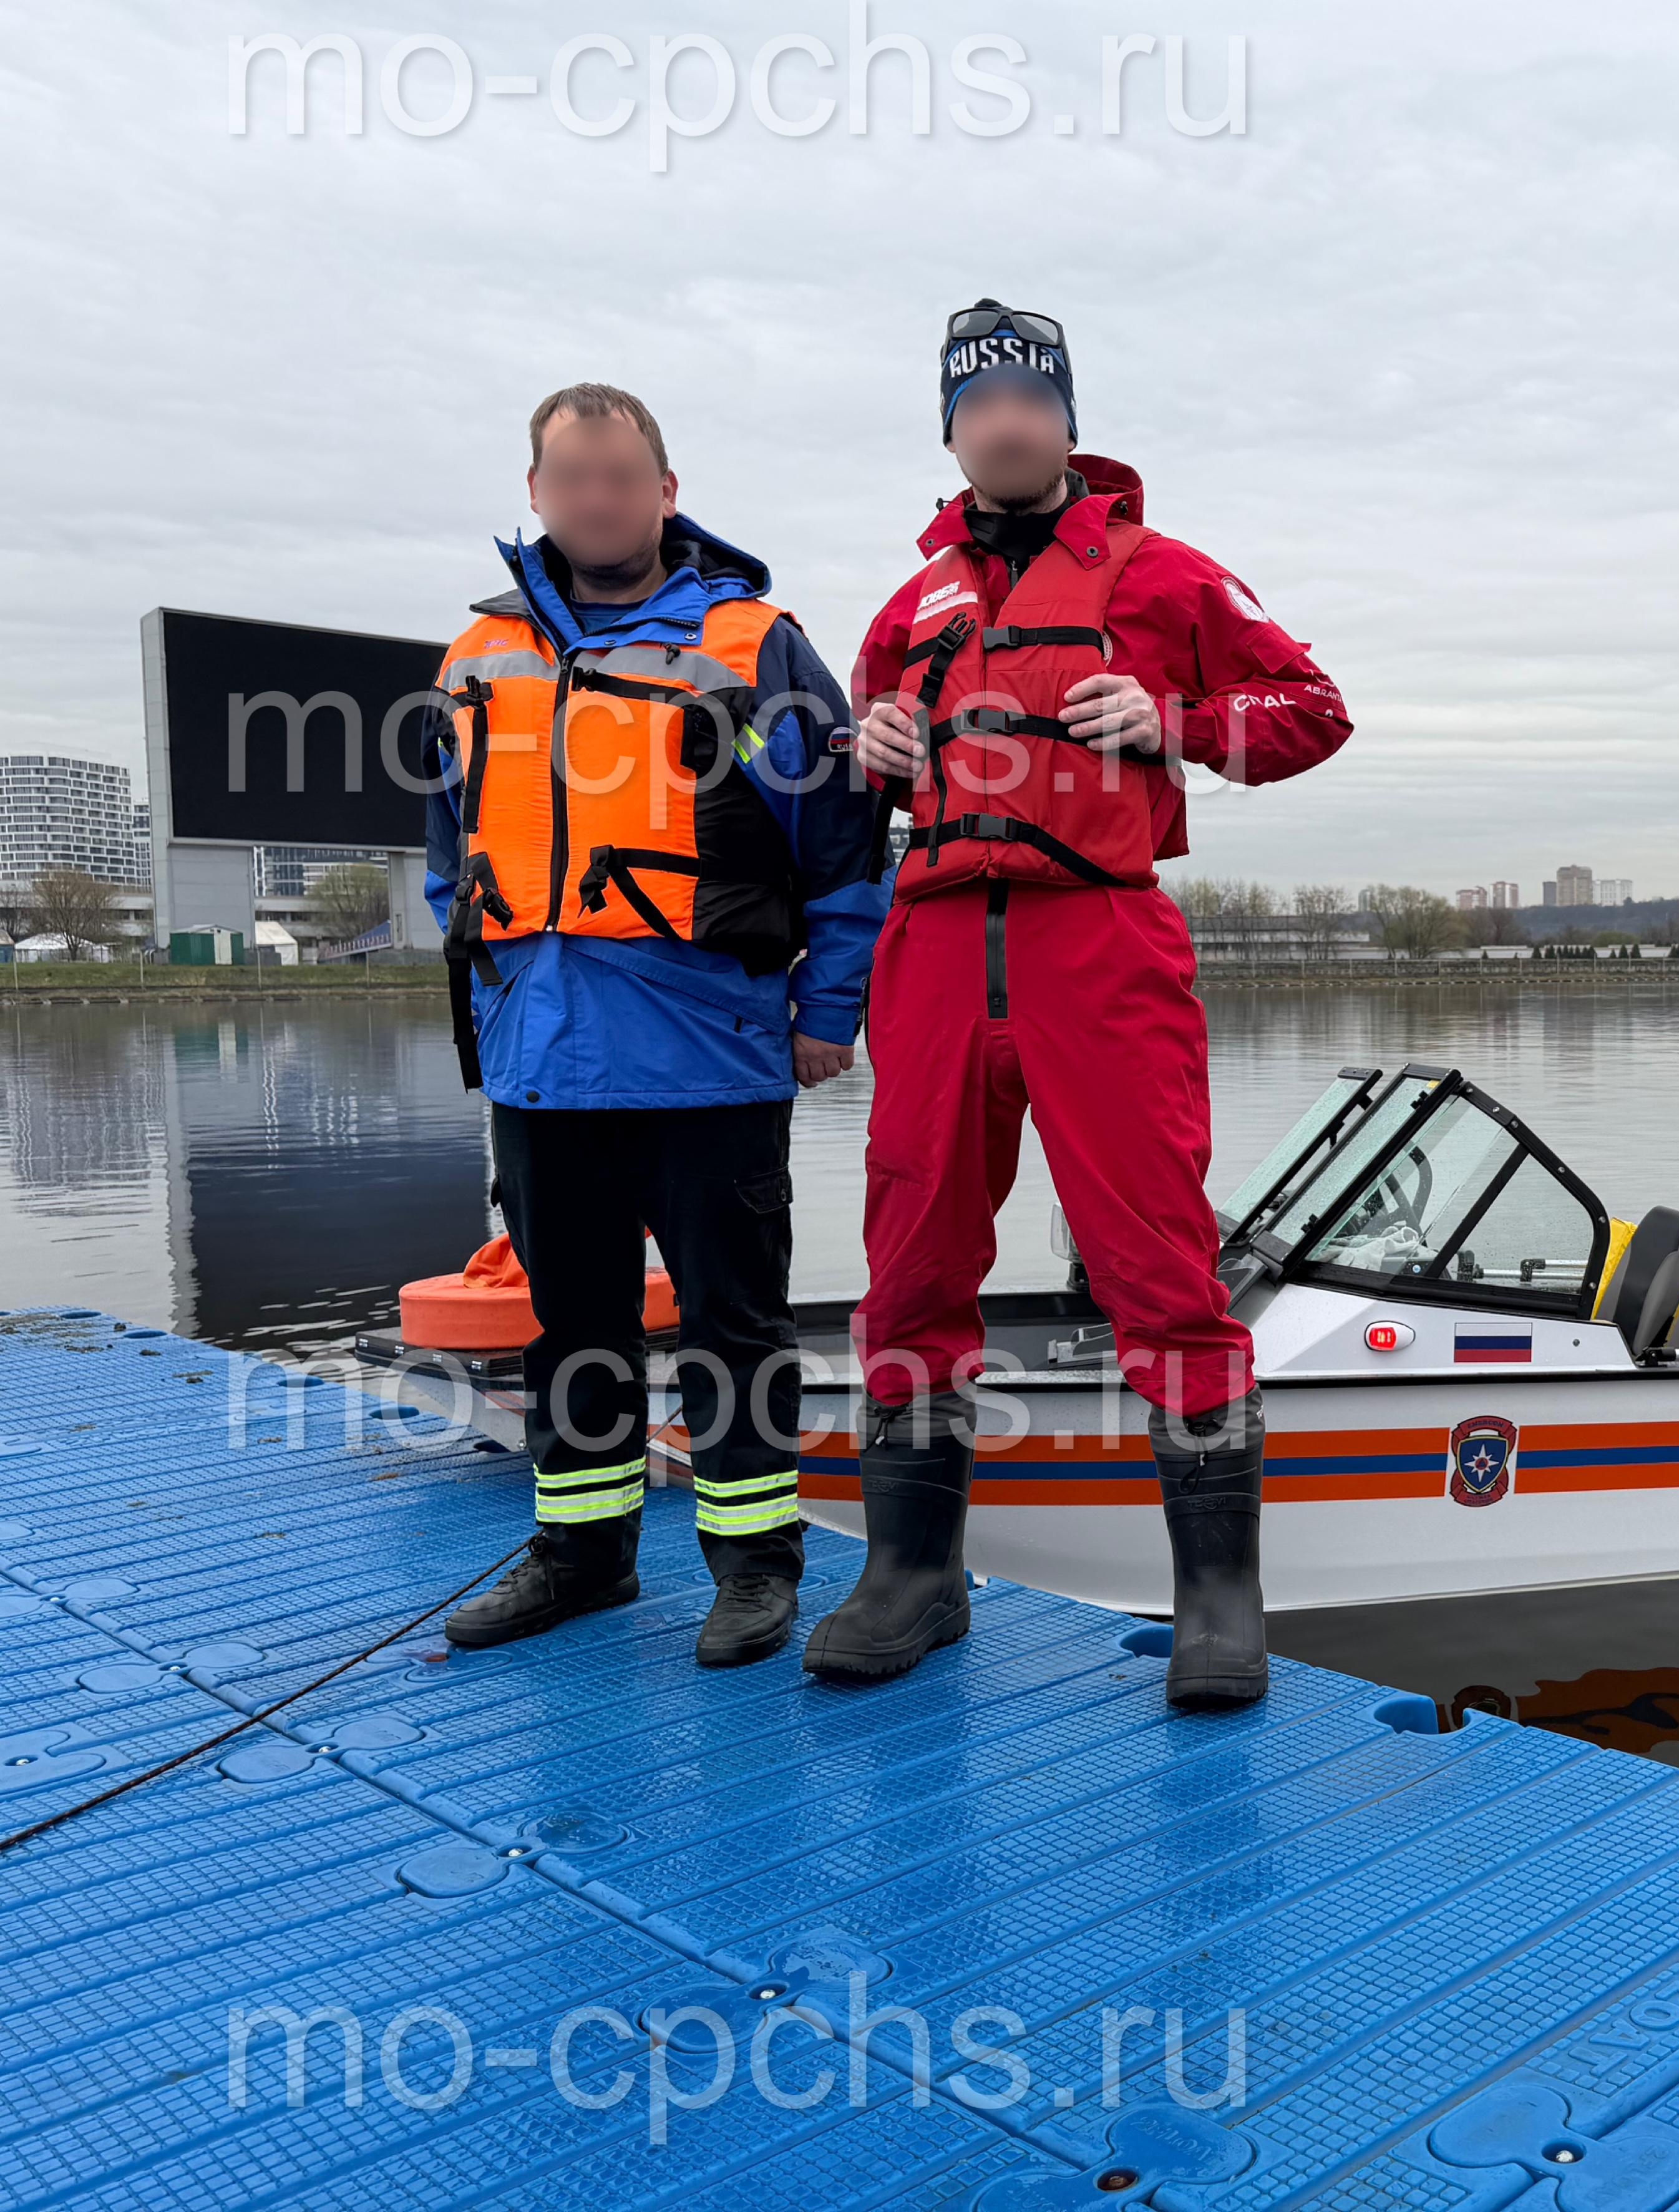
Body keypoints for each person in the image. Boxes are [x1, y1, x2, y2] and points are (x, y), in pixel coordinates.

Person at [807, 301, 1351, 1702]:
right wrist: (864, 749)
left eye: (1027, 403)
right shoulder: (904, 608)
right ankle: (913, 1576)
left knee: (1158, 1263)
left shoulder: (1164, 573)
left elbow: (1311, 709)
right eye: (977, 406)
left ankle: (1219, 1600)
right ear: (951, 429)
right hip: (932, 951)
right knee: (914, 1254)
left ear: (1062, 421)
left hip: (1098, 945)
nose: (1005, 424)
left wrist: (1178, 724)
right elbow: (860, 778)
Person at [424, 383, 886, 1667]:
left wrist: (827, 1010)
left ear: (666, 492)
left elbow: (846, 851)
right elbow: (448, 856)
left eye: (621, 479)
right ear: (536, 494)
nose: (597, 502)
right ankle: (584, 1557)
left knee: (734, 1329)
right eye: (572, 480)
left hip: (711, 1054)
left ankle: (752, 1568)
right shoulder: (476, 655)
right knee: (571, 1326)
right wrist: (488, 1003)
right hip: (540, 1062)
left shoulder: (755, 644)